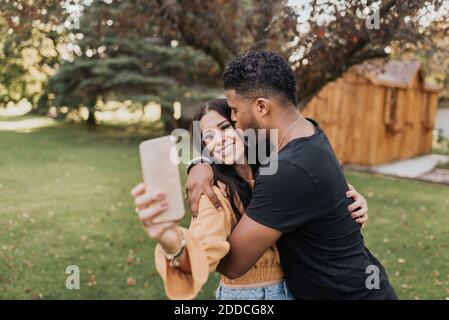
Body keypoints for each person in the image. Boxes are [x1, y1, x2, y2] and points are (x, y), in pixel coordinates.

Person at [186, 51, 398, 299]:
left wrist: (209, 244)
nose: (234, 119)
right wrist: (199, 162)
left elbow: (232, 265)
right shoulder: (309, 132)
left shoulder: (286, 170)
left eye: (234, 110)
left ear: (262, 106)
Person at [130, 98, 369, 300]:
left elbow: (315, 207)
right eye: (208, 138)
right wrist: (171, 242)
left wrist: (350, 198)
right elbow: (201, 252)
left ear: (242, 126)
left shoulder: (276, 174)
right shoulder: (214, 194)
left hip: (297, 289)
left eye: (225, 128)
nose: (219, 141)